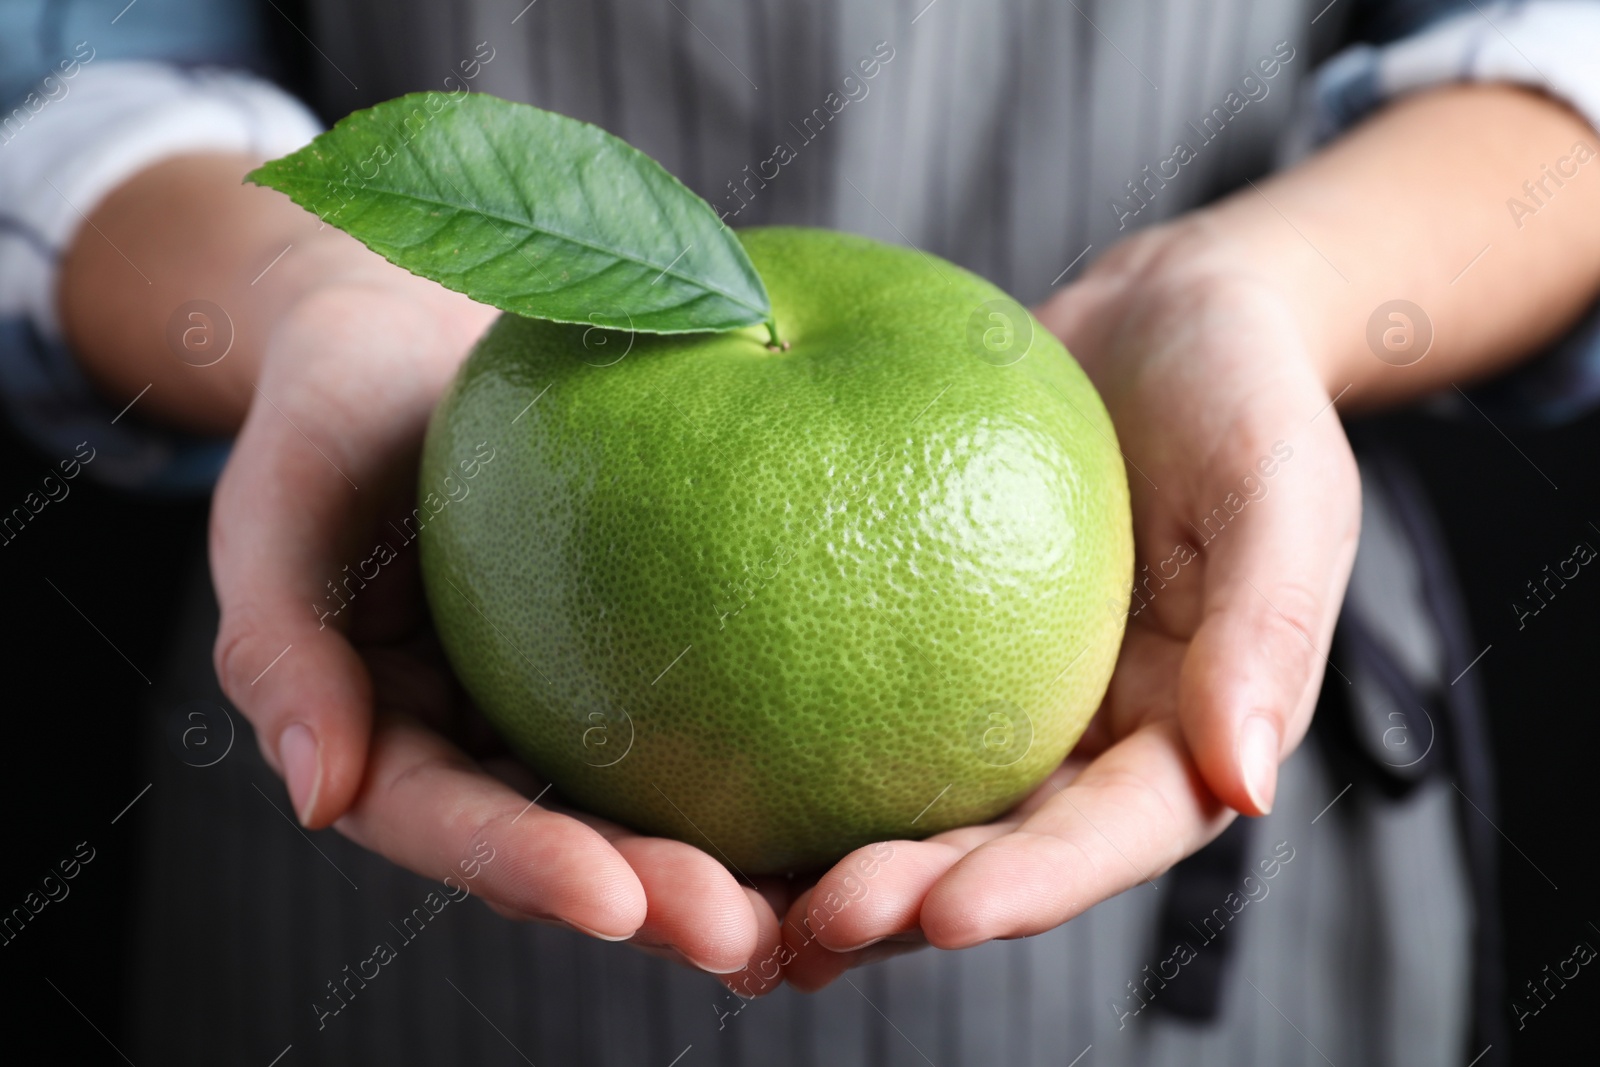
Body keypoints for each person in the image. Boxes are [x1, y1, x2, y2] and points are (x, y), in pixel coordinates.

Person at [4, 0, 1599, 1063]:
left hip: (1191, 771)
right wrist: (302, 306)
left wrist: (1271, 296)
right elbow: (70, 66)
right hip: (402, 809)